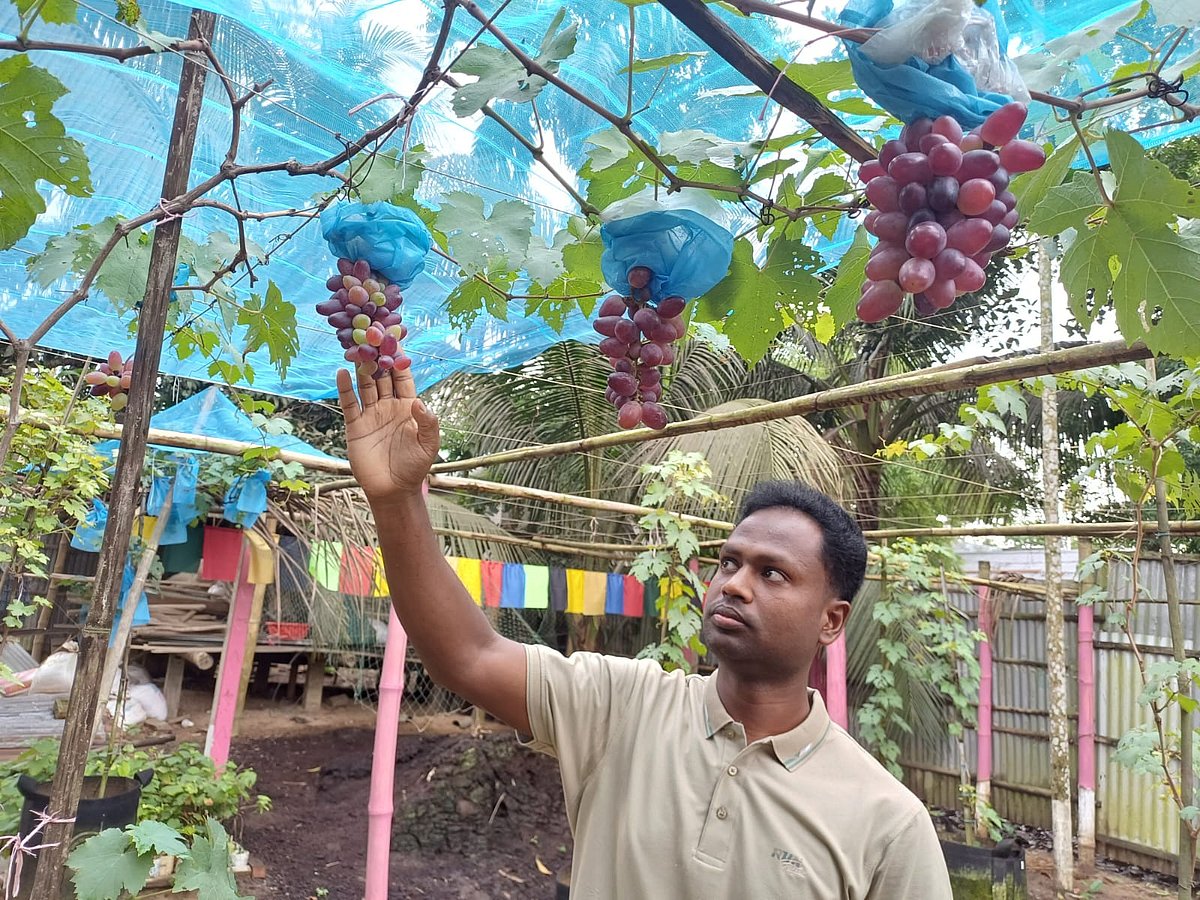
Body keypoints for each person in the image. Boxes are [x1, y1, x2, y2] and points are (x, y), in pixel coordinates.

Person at [337, 365, 953, 899]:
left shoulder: (887, 822)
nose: (734, 584)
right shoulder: (623, 706)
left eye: (773, 573)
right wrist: (395, 501)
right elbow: (468, 656)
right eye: (730, 562)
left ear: (831, 620)